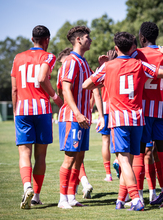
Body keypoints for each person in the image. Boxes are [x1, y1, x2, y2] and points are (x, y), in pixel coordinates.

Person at [83, 31, 163, 211]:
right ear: (133, 48)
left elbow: (86, 85)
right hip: (138, 118)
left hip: (119, 119)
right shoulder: (140, 64)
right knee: (129, 162)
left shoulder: (108, 66)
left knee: (123, 160)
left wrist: (104, 79)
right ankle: (120, 198)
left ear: (116, 49)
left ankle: (135, 198)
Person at [11, 25, 63, 209]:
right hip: (42, 109)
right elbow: (42, 78)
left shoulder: (17, 58)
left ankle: (27, 186)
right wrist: (56, 97)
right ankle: (37, 196)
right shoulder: (48, 56)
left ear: (32, 38)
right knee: (40, 155)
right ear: (47, 40)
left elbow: (15, 89)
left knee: (24, 153)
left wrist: (16, 111)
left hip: (22, 109)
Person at [57, 26, 104, 209]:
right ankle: (62, 199)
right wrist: (77, 113)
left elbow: (94, 86)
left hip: (84, 119)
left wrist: (104, 66)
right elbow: (65, 89)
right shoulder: (70, 61)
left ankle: (71, 196)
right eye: (87, 37)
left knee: (79, 159)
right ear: (78, 40)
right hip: (72, 117)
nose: (90, 39)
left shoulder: (84, 62)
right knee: (69, 159)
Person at [131, 21, 163, 208]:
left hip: (143, 111)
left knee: (139, 154)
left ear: (142, 37)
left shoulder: (138, 54)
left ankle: (138, 197)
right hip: (162, 109)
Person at [98, 50, 118, 182]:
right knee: (119, 139)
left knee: (105, 140)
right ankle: (118, 161)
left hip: (105, 108)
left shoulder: (103, 69)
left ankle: (108, 174)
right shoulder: (122, 67)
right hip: (118, 107)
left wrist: (102, 65)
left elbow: (95, 88)